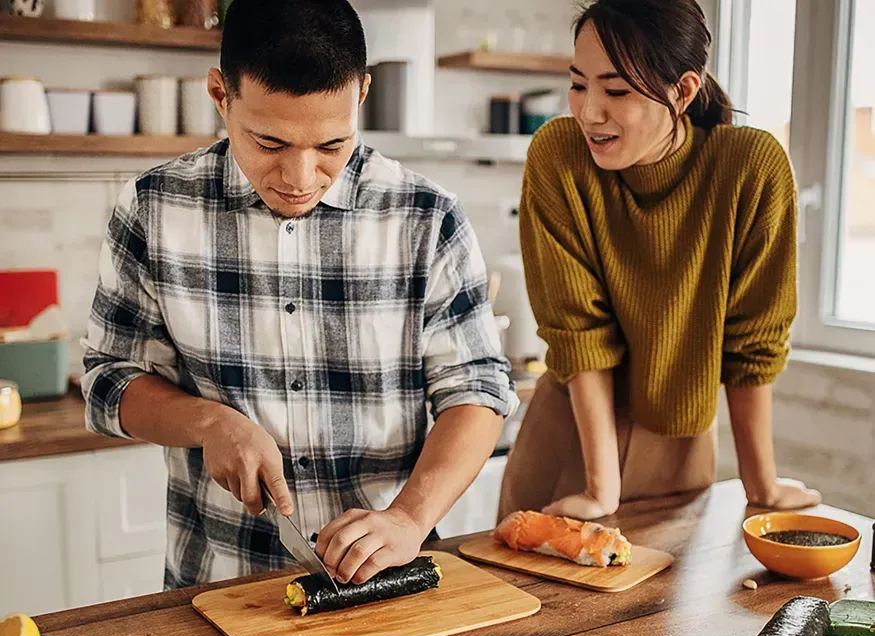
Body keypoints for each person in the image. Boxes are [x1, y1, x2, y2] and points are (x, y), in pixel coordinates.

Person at [81, 0, 517, 590]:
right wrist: (209, 423)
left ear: (361, 93)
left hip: (389, 581)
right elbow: (110, 380)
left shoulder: (426, 217)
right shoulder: (153, 209)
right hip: (220, 586)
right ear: (220, 94)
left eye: (331, 147)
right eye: (270, 143)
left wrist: (409, 518)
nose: (300, 177)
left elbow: (479, 389)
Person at [498, 0, 820, 522]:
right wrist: (603, 489)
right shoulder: (558, 156)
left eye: (617, 90)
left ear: (684, 90)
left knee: (663, 606)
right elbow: (579, 331)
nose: (588, 112)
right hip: (569, 436)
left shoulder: (750, 169)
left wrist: (761, 487)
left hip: (680, 447)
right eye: (579, 84)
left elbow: (753, 343)